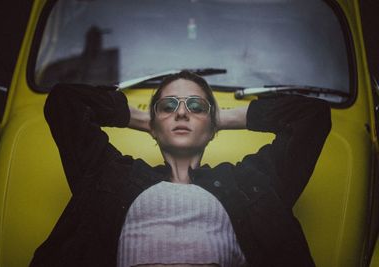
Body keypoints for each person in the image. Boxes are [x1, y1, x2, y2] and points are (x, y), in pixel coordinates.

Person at [30, 71, 331, 267]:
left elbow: (312, 117)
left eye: (197, 107)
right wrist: (140, 117)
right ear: (152, 126)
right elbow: (64, 102)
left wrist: (222, 118)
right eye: (168, 106)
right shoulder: (109, 176)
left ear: (212, 127)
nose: (183, 112)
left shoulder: (252, 184)